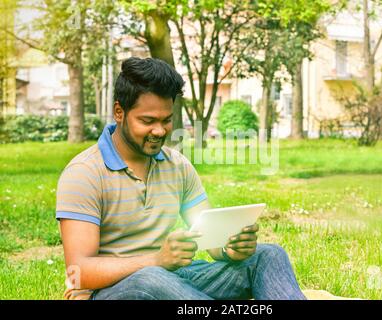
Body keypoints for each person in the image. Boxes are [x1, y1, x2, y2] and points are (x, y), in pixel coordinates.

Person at [56, 57, 306, 300]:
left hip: (174, 279)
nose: (159, 131)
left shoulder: (177, 166)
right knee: (151, 278)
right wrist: (155, 260)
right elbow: (78, 272)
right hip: (113, 290)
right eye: (147, 121)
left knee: (269, 255)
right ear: (119, 112)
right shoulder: (84, 173)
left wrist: (231, 248)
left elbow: (212, 241)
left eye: (166, 120)